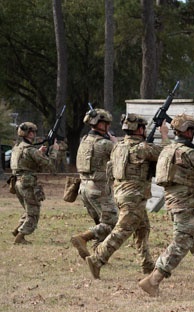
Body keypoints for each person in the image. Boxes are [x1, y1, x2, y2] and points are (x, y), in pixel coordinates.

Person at [139, 113, 194, 296]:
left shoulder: (167, 150)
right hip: (185, 203)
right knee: (182, 242)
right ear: (188, 132)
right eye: (193, 130)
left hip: (179, 201)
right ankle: (153, 280)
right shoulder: (187, 153)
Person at [85, 114, 168, 279]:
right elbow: (167, 154)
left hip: (121, 194)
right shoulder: (142, 148)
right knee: (122, 231)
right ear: (140, 129)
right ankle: (97, 258)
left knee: (143, 228)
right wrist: (164, 134)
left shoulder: (118, 146)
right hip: (133, 197)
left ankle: (146, 264)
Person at [70, 108, 119, 260]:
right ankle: (83, 238)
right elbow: (122, 156)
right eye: (107, 124)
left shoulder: (84, 140)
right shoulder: (104, 143)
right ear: (100, 124)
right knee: (112, 222)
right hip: (98, 188)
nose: (109, 127)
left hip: (84, 188)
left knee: (101, 222)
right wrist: (116, 143)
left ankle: (97, 255)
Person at [9, 122, 59, 244]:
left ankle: (17, 230)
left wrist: (39, 152)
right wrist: (54, 151)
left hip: (17, 182)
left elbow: (27, 162)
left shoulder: (17, 147)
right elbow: (50, 166)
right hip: (27, 183)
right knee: (33, 212)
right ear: (29, 133)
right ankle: (20, 237)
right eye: (34, 132)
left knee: (28, 209)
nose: (35, 134)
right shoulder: (31, 150)